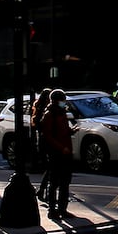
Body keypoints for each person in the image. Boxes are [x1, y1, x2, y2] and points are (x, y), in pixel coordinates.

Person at [41, 88, 75, 218]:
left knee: (65, 182)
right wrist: (61, 148)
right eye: (62, 100)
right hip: (57, 153)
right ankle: (52, 210)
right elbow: (48, 136)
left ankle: (62, 209)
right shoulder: (50, 115)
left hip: (65, 151)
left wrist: (71, 131)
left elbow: (62, 131)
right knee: (55, 182)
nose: (64, 102)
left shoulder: (62, 113)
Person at [29, 88, 53, 200]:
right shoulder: (47, 112)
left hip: (42, 141)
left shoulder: (38, 109)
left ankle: (43, 190)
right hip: (48, 141)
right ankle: (44, 190)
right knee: (51, 168)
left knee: (49, 168)